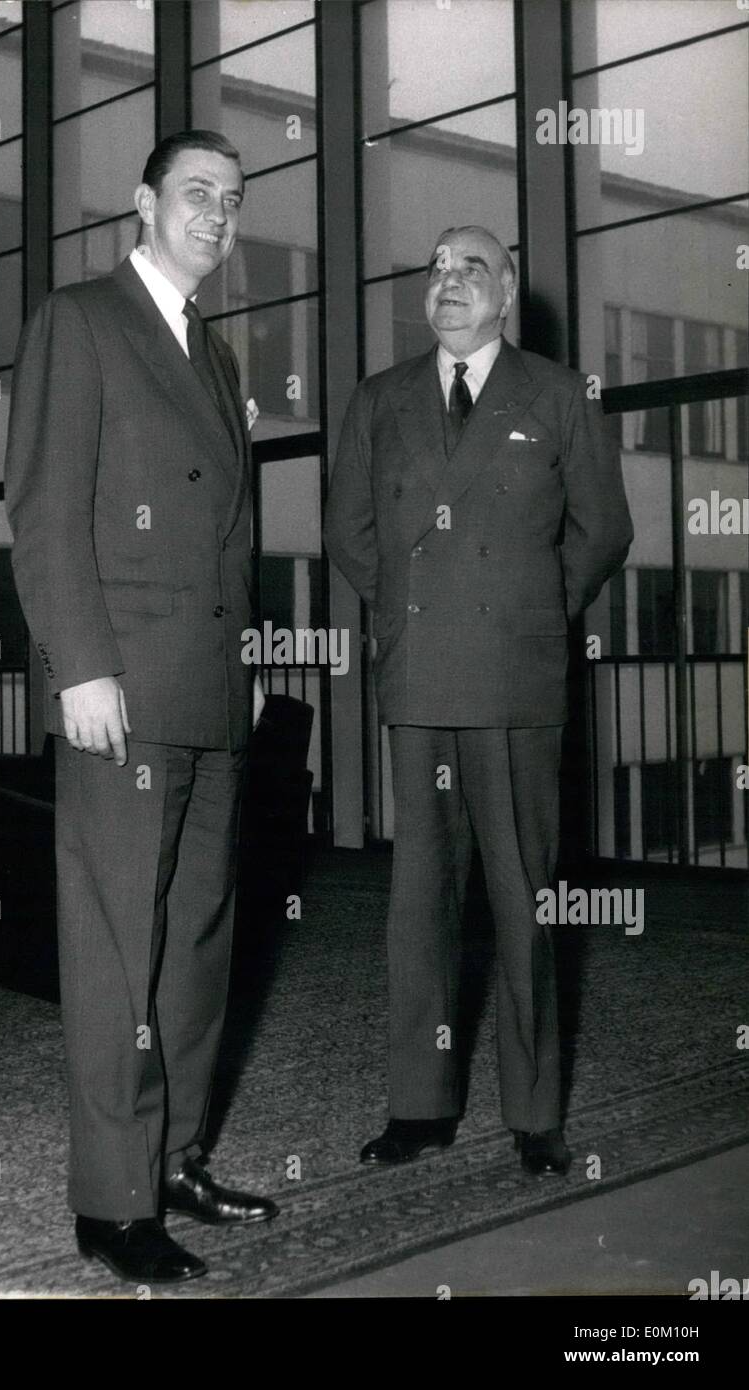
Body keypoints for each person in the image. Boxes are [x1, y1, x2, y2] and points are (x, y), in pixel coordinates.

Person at [4, 130, 277, 1286]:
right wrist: (79, 666)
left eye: (231, 200)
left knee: (200, 942)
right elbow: (45, 503)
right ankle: (112, 1203)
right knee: (119, 946)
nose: (215, 215)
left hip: (208, 690)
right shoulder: (81, 318)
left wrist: (246, 657)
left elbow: (232, 531)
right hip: (120, 687)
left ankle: (175, 1159)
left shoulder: (213, 356)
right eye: (195, 194)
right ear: (143, 203)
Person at [324, 225, 633, 1176]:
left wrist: (533, 610)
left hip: (516, 676)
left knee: (523, 899)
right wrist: (413, 616)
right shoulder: (380, 400)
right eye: (435, 268)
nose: (448, 282)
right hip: (419, 679)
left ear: (506, 295)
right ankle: (420, 1105)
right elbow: (349, 532)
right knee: (420, 900)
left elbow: (602, 530)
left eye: (472, 269)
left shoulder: (554, 395)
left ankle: (534, 1110)